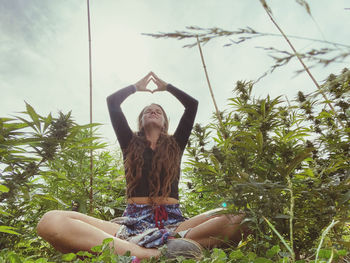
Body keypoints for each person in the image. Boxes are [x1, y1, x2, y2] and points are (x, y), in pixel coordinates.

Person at [36, 72, 247, 260]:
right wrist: (136, 87)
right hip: (131, 224)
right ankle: (152, 254)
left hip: (175, 224)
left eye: (158, 111)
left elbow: (192, 105)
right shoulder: (129, 142)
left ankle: (157, 245)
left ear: (165, 122)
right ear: (140, 120)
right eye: (148, 110)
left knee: (238, 215)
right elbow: (112, 103)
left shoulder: (175, 144)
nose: (153, 111)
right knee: (51, 221)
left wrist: (167, 87)